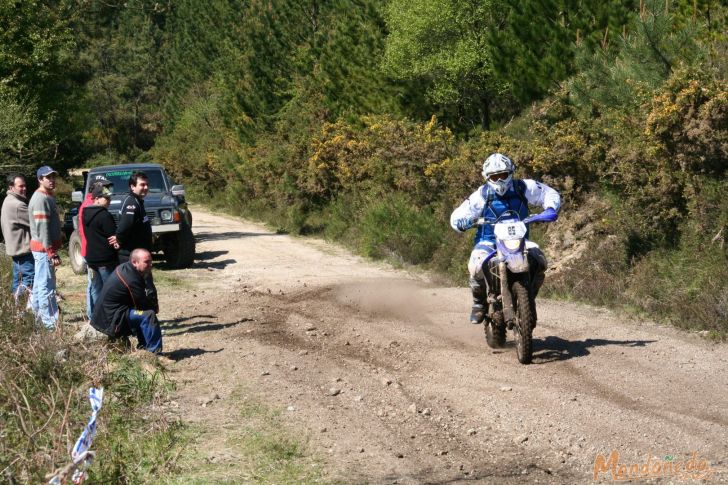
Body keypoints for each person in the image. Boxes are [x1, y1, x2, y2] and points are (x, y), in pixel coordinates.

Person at [450, 153, 561, 324]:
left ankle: (529, 296)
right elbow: (459, 213)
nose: (499, 180)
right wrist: (462, 221)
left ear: (511, 172)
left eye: (503, 175)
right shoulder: (482, 195)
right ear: (487, 177)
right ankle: (479, 303)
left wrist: (550, 209)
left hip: (519, 239)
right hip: (489, 241)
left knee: (540, 260)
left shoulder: (523, 187)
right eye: (494, 176)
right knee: (475, 265)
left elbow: (548, 193)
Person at [91, 248, 162, 353]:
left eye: (151, 261)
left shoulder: (127, 268)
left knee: (144, 313)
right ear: (134, 262)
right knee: (148, 315)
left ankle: (143, 347)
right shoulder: (131, 279)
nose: (150, 264)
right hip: (112, 317)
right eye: (147, 262)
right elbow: (141, 304)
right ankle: (155, 353)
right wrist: (153, 308)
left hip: (113, 311)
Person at [29, 166, 63, 329]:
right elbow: (43, 229)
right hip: (43, 250)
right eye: (47, 177)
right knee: (46, 286)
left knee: (39, 285)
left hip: (43, 249)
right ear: (40, 179)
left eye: (53, 177)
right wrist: (51, 252)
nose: (52, 180)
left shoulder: (48, 196)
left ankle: (33, 319)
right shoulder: (40, 199)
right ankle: (49, 325)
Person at [82, 183, 119, 320]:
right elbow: (112, 236)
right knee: (109, 290)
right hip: (105, 259)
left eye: (109, 198)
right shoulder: (104, 215)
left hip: (92, 259)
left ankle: (98, 318)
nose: (108, 201)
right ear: (97, 198)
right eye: (106, 198)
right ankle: (110, 319)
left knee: (96, 290)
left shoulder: (85, 213)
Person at [1, 174, 34, 301]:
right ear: (11, 187)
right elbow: (35, 223)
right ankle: (24, 311)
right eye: (21, 186)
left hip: (16, 251)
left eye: (25, 185)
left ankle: (16, 313)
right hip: (24, 251)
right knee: (28, 283)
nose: (24, 188)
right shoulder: (17, 205)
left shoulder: (7, 201)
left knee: (18, 283)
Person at [116, 171, 152, 264]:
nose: (146, 187)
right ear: (132, 187)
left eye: (147, 184)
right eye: (142, 185)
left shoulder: (137, 201)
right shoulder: (131, 203)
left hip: (137, 253)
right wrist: (118, 239)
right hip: (131, 256)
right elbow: (125, 226)